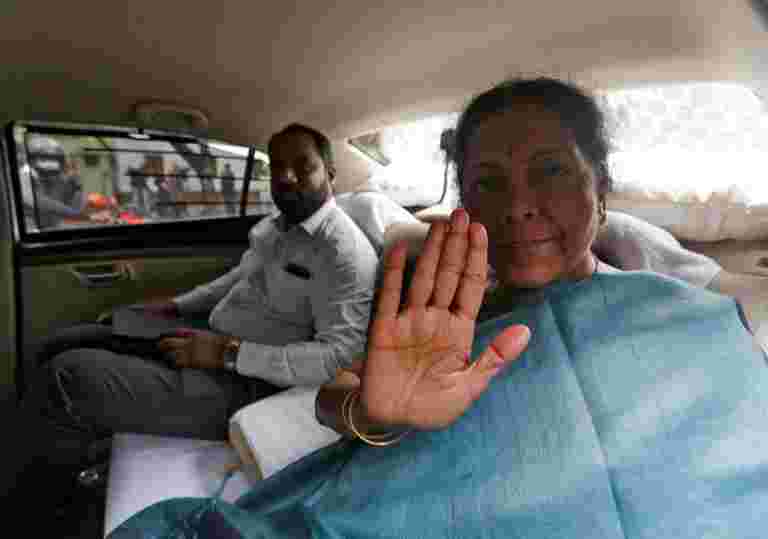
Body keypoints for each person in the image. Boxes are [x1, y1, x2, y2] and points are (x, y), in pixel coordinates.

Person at [111, 78, 768, 538]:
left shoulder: (690, 318)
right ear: (466, 203)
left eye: (550, 171)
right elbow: (336, 398)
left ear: (601, 187)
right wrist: (375, 414)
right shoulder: (439, 312)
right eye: (488, 182)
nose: (518, 205)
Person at [4, 124, 379, 531]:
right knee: (59, 343)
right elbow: (238, 279)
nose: (286, 177)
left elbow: (338, 357)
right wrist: (174, 306)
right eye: (278, 166)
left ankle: (32, 513)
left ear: (330, 173)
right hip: (208, 337)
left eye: (303, 166)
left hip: (249, 382)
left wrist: (227, 354)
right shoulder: (280, 226)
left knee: (65, 379)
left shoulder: (343, 252)